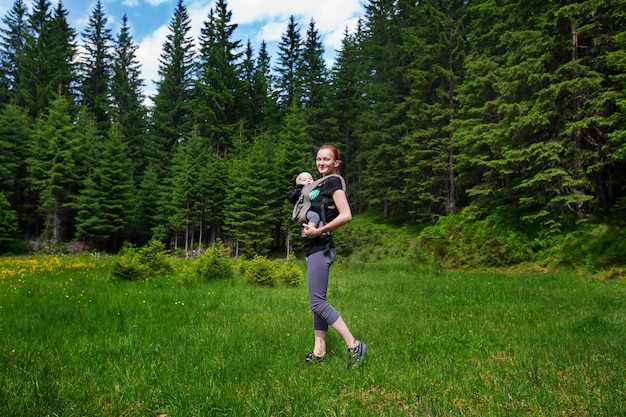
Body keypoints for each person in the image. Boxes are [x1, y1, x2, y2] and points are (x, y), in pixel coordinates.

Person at [299, 145, 367, 369]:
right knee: (317, 303)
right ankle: (319, 352)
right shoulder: (320, 184)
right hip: (313, 248)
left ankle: (354, 345)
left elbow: (346, 215)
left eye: (326, 159)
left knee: (318, 303)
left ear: (336, 163)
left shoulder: (334, 182)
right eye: (318, 159)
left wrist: (320, 231)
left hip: (322, 247)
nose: (321, 163)